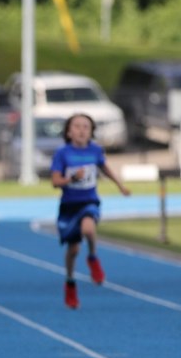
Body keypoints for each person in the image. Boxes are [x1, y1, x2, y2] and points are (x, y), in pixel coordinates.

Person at [49, 113, 130, 309]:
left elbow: (105, 168)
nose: (81, 130)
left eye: (86, 126)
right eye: (77, 126)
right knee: (73, 249)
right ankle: (70, 282)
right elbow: (55, 181)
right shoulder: (62, 153)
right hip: (69, 205)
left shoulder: (95, 150)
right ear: (68, 131)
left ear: (91, 131)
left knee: (88, 229)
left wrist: (120, 185)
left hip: (89, 201)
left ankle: (93, 257)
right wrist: (71, 179)